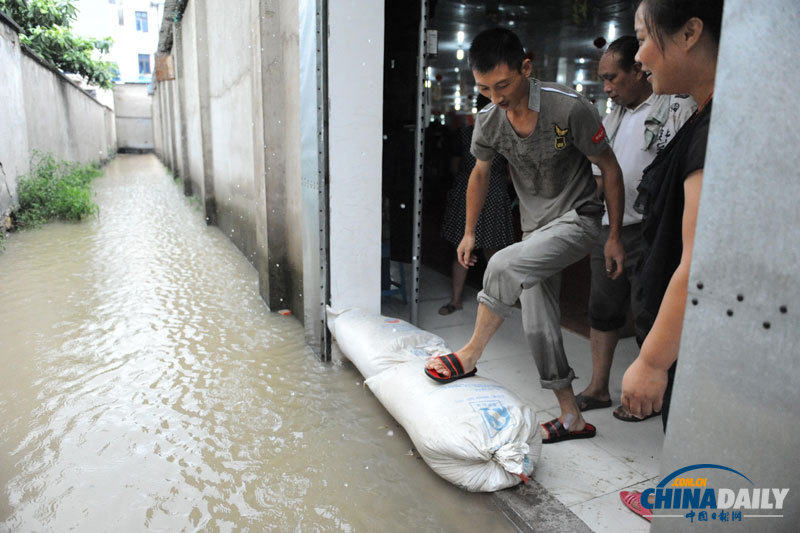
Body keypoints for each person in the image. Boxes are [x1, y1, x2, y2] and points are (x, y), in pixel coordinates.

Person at [423, 28, 626, 444]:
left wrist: (614, 235)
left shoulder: (567, 107)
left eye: (503, 84)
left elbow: (610, 168)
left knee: (501, 263)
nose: (494, 96)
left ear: (526, 68)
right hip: (535, 230)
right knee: (539, 325)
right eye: (483, 88)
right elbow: (479, 173)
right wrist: (468, 232)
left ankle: (470, 353)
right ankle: (572, 417)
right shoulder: (489, 120)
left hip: (578, 218)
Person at [617, 0, 724, 521]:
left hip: (695, 346)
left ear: (690, 33)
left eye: (643, 37)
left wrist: (653, 361)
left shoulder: (716, 132)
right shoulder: (700, 113)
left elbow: (699, 260)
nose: (639, 57)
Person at [576, 36, 696, 421]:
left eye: (612, 78)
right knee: (603, 309)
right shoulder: (612, 117)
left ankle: (646, 397)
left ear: (638, 71)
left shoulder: (674, 108)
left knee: (651, 312)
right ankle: (598, 388)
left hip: (651, 231)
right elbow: (600, 175)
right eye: (603, 80)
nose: (607, 88)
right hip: (610, 228)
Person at [438, 94, 515, 316]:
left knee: (466, 251)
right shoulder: (505, 137)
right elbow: (511, 175)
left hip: (470, 194)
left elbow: (455, 167)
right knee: (490, 254)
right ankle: (496, 304)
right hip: (489, 194)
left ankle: (457, 300)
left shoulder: (465, 135)